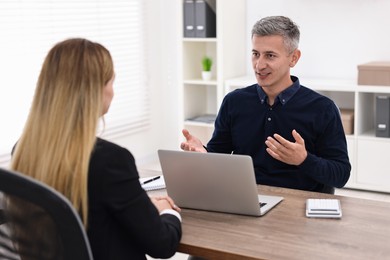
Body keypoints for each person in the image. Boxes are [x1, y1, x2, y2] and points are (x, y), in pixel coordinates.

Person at [10, 38, 182, 259]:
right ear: (93, 91)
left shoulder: (24, 151)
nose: (113, 91)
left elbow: (84, 205)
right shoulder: (110, 161)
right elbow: (162, 244)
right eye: (111, 82)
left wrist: (140, 204)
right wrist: (167, 211)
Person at [181, 16, 351, 193]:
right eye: (255, 54)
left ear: (293, 58)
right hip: (246, 197)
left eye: (270, 55)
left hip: (297, 205)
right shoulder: (234, 102)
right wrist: (203, 154)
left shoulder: (323, 109)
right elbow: (218, 156)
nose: (259, 65)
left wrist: (303, 159)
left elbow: (341, 175)